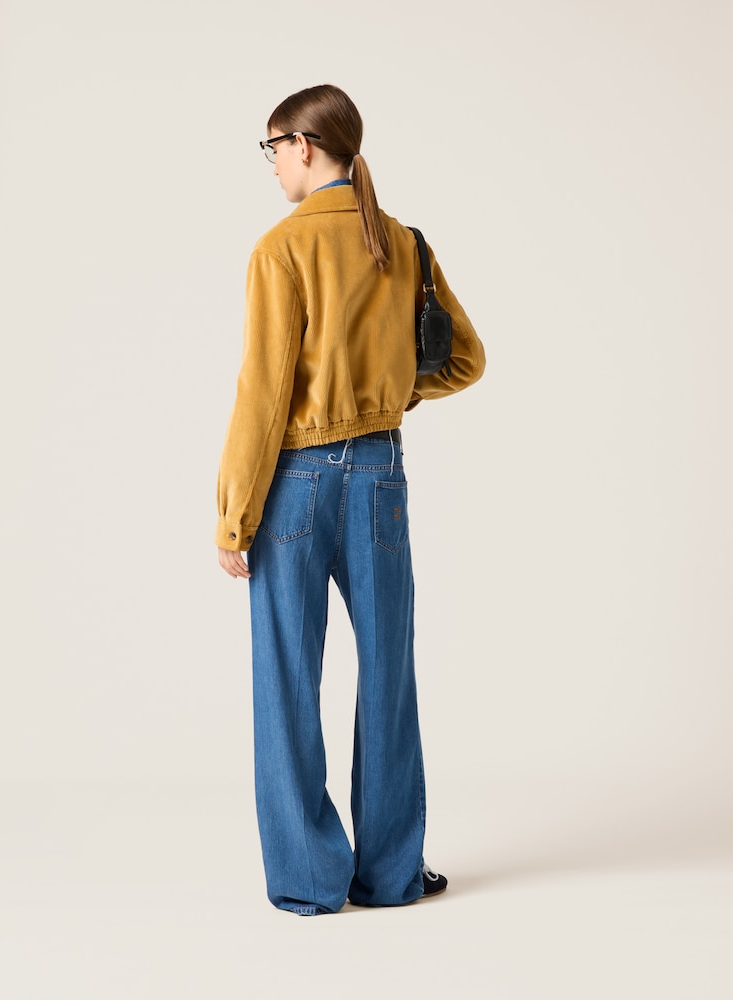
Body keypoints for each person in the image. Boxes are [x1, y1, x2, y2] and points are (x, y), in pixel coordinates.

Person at [215, 84, 485, 915]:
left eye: (273, 148)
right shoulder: (399, 243)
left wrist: (234, 514)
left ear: (304, 145)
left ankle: (308, 881)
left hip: (295, 483)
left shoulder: (281, 249)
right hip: (379, 476)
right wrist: (386, 397)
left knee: (288, 679)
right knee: (388, 672)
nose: (272, 165)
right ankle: (391, 876)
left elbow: (264, 395)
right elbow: (464, 359)